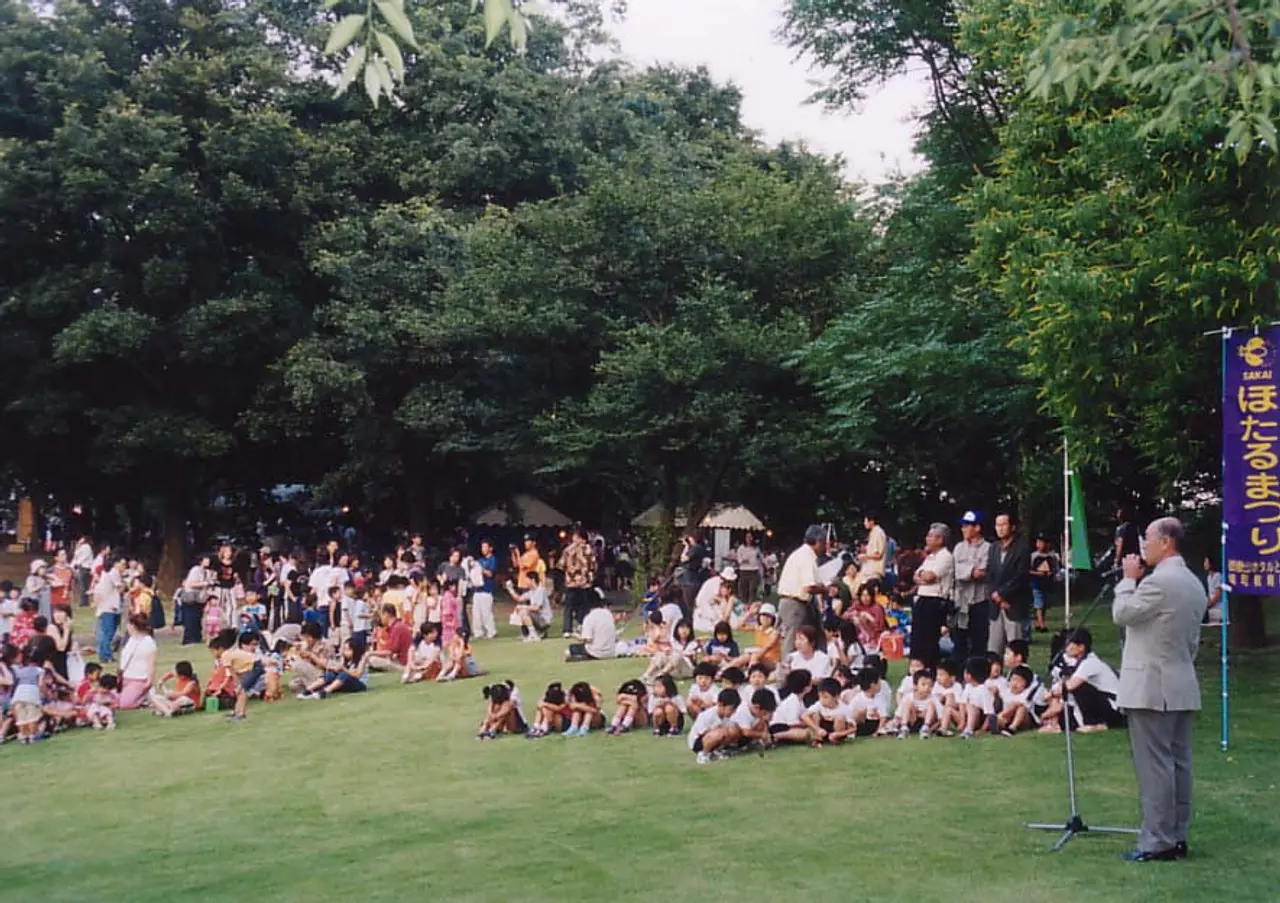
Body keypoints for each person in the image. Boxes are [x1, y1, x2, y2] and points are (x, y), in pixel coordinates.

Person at [1112, 516, 1206, 863]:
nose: (1142, 548)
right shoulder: (1194, 583)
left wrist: (1127, 581)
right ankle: (1177, 835)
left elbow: (1123, 613)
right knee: (1179, 763)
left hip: (1151, 686)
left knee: (1155, 767)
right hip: (1181, 681)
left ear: (1166, 542)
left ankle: (1157, 840)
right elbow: (1192, 640)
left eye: (1148, 539)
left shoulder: (1158, 583)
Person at [775, 525, 827, 656]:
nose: (825, 547)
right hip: (795, 603)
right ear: (818, 542)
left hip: (799, 603)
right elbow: (809, 586)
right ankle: (786, 673)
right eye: (824, 543)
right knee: (793, 641)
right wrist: (825, 589)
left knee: (809, 637)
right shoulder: (806, 557)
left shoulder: (802, 554)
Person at [985, 513, 1031, 655]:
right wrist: (995, 595)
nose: (1000, 528)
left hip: (1014, 604)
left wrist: (1003, 595)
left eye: (1004, 524)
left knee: (1015, 648)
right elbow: (989, 573)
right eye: (998, 525)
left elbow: (1020, 576)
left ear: (1012, 527)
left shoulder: (1022, 547)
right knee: (993, 649)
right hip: (995, 606)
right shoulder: (993, 548)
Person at [911, 523, 954, 667]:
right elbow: (916, 576)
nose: (926, 538)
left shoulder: (945, 556)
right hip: (922, 599)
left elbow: (930, 577)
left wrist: (923, 576)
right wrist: (922, 576)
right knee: (917, 638)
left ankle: (929, 668)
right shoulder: (930, 557)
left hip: (935, 601)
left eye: (930, 536)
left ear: (940, 539)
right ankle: (916, 668)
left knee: (928, 640)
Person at [952, 511, 991, 664]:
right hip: (961, 602)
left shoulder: (988, 548)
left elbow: (982, 573)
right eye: (963, 525)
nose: (963, 528)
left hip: (980, 600)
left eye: (967, 525)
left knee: (979, 641)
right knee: (959, 641)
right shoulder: (958, 547)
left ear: (977, 528)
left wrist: (965, 571)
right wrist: (970, 571)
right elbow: (953, 570)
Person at [560, 528, 598, 638]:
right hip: (584, 582)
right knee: (583, 605)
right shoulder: (589, 549)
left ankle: (567, 629)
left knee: (569, 606)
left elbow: (561, 565)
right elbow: (593, 565)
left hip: (571, 582)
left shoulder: (568, 550)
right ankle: (583, 625)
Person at [117, 614, 157, 709]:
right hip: (125, 678)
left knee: (124, 704)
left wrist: (149, 681)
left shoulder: (148, 642)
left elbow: (151, 663)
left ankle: (145, 698)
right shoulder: (130, 639)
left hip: (139, 679)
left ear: (133, 626)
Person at [566, 592, 617, 663]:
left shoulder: (589, 618)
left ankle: (582, 657)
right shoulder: (608, 614)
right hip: (611, 651)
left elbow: (588, 639)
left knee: (572, 648)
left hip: (596, 652)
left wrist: (576, 636)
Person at [93, 557, 126, 664]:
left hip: (107, 606)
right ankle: (106, 655)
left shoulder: (105, 574)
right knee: (109, 633)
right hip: (111, 607)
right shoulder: (114, 573)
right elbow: (120, 588)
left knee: (106, 633)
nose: (123, 567)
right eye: (122, 564)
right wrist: (125, 584)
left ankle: (104, 655)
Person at [676, 531, 709, 620]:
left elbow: (683, 559)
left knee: (689, 603)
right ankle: (689, 618)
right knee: (686, 602)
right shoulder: (696, 548)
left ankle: (690, 619)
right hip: (689, 578)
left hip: (690, 579)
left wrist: (686, 546)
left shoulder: (696, 548)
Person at [1030, 533, 1059, 633]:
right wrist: (1038, 573)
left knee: (1044, 604)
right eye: (1038, 542)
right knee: (1039, 603)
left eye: (1042, 542)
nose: (1039, 544)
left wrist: (1051, 573)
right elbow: (1028, 569)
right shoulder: (1033, 556)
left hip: (1047, 583)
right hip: (1036, 583)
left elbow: (1055, 568)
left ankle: (1039, 622)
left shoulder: (1052, 556)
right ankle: (1042, 625)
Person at [472, 540, 499, 639]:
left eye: (485, 547)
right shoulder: (480, 560)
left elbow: (490, 573)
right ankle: (478, 632)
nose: (483, 549)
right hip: (477, 589)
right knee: (476, 613)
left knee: (486, 612)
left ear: (490, 548)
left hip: (487, 590)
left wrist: (481, 569)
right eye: (482, 547)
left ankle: (491, 631)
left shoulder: (492, 559)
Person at [856, 513, 887, 591]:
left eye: (865, 521)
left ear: (871, 521)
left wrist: (865, 556)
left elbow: (878, 554)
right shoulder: (873, 532)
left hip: (873, 572)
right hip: (869, 571)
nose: (864, 523)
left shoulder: (878, 533)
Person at [735, 533, 762, 604]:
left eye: (751, 537)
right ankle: (744, 604)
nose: (749, 539)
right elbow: (739, 560)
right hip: (744, 571)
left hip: (754, 571)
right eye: (747, 537)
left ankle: (750, 604)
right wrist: (744, 560)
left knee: (752, 589)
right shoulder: (741, 548)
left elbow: (760, 558)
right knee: (744, 590)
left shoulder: (756, 548)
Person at [1202, 557, 1223, 624]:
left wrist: (1208, 604)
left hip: (1220, 608)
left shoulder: (1218, 575)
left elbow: (1218, 595)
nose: (1204, 564)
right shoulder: (1208, 577)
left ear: (1211, 564)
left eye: (1206, 562)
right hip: (1212, 608)